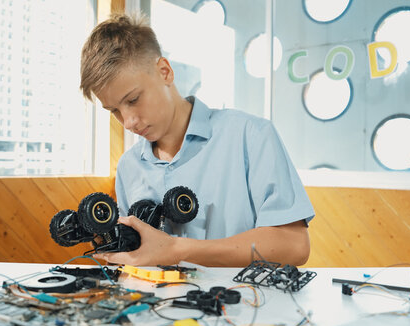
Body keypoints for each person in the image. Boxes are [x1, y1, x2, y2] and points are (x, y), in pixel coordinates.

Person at [80, 13, 314, 267]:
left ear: (165, 72)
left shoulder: (251, 136)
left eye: (133, 100)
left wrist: (178, 250)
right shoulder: (128, 168)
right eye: (114, 110)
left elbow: (294, 245)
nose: (128, 122)